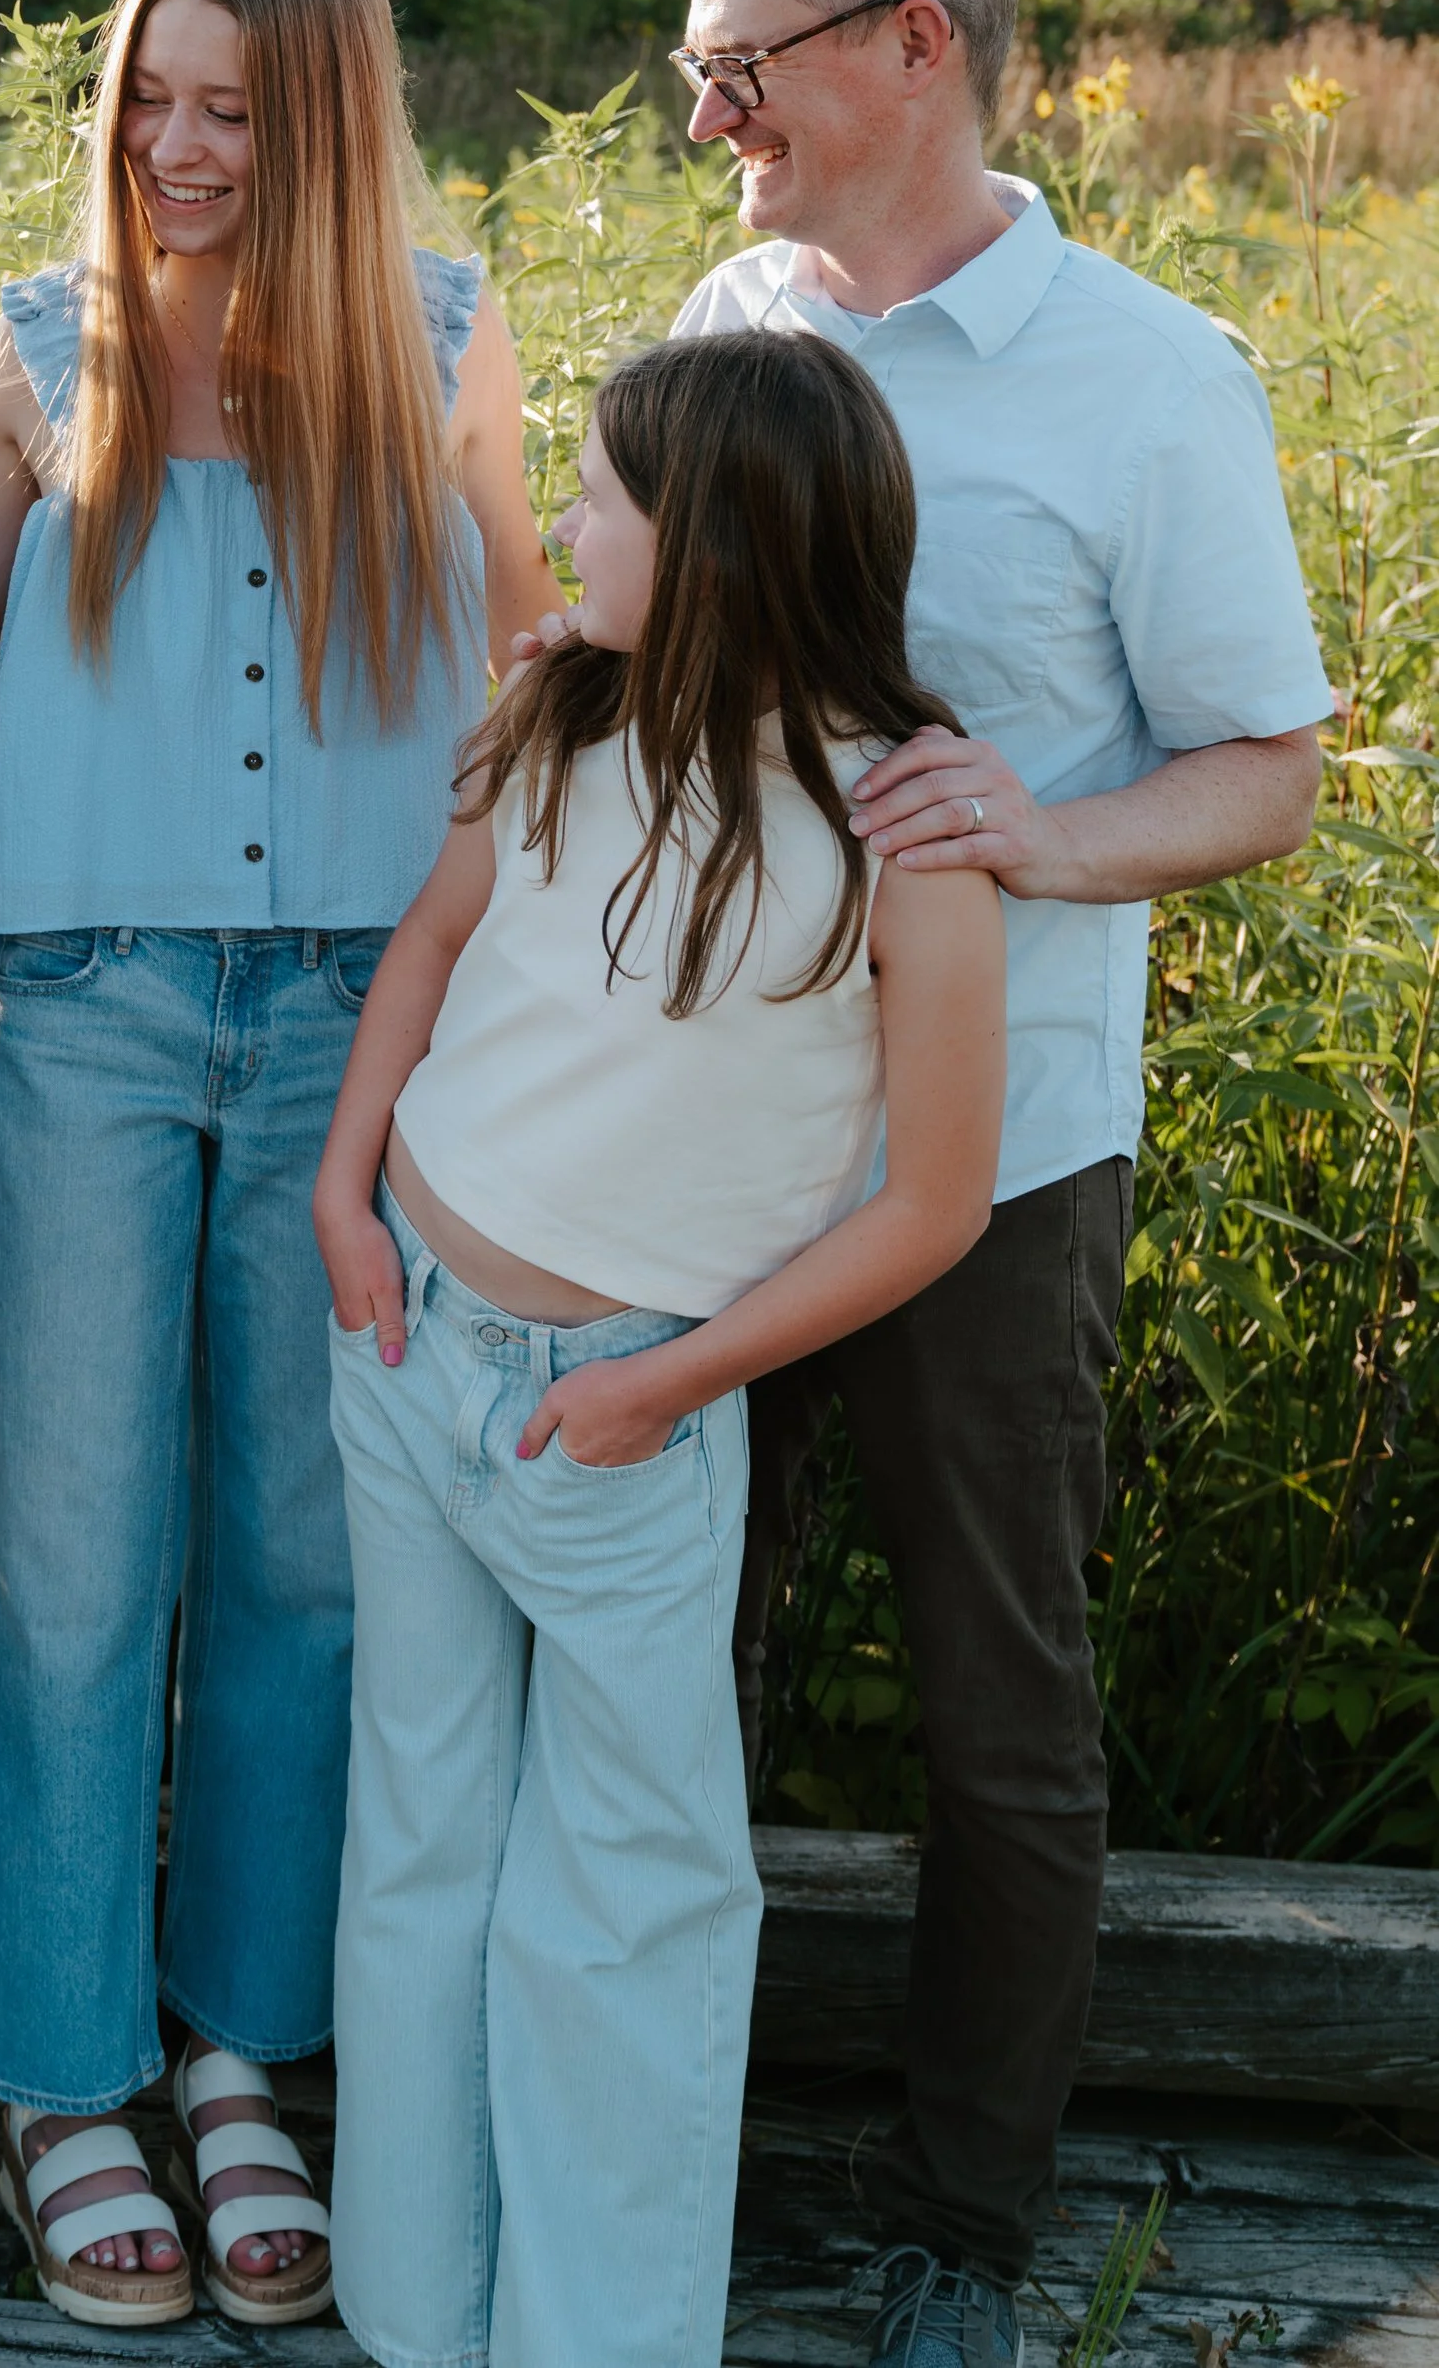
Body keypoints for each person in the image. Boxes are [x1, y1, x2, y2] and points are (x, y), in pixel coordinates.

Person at [657, 0, 1330, 2368]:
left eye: (745, 63)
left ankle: (957, 2224)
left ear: (907, 45)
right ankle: (651, 2150)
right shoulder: (735, 309)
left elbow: (1263, 764)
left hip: (992, 1157)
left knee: (993, 1703)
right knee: (658, 1668)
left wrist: (1050, 834)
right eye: (701, 67)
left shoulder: (1146, 379)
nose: (712, 113)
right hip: (704, 1134)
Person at [0, 0, 559, 2332]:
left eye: (229, 111)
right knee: (71, 1565)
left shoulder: (452, 336)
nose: (175, 152)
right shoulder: (42, 344)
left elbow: (526, 683)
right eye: (145, 102)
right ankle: (60, 2079)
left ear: (330, 125)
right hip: (78, 1002)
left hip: (351, 1025)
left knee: (304, 1560)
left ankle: (237, 2057)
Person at [315, 332, 1006, 2368]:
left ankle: (587, 2343)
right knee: (419, 1835)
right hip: (400, 1339)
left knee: (627, 1903)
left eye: (598, 494)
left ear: (704, 539)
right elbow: (434, 949)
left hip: (615, 1414)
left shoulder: (898, 827)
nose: (562, 521)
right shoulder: (553, 710)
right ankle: (416, 2317)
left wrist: (660, 1386)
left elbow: (930, 1206)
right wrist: (341, 1193)